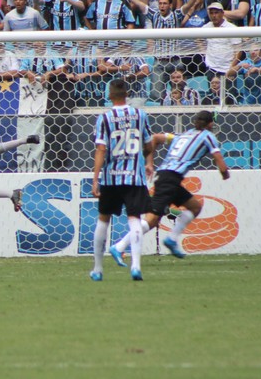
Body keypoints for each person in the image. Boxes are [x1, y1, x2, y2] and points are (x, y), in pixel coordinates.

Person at [108, 110, 230, 265]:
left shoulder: (183, 135)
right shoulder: (209, 136)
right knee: (151, 220)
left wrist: (150, 163)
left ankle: (172, 239)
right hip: (170, 179)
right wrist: (225, 174)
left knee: (195, 207)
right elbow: (220, 161)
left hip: (167, 177)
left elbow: (155, 138)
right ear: (210, 124)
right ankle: (119, 247)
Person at [90, 78, 152, 282]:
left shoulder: (105, 118)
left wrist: (95, 178)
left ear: (109, 95)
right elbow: (148, 143)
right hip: (134, 177)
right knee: (135, 220)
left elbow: (101, 148)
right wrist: (148, 161)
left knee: (103, 220)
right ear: (127, 94)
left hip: (110, 178)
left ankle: (98, 269)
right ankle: (135, 266)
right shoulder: (141, 115)